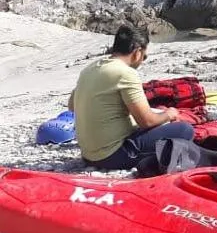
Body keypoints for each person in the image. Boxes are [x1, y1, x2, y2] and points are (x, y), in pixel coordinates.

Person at [69, 24, 195, 171]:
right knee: (185, 130)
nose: (142, 61)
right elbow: (146, 121)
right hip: (111, 156)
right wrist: (169, 114)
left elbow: (72, 106)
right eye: (144, 56)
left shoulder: (89, 69)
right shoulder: (125, 73)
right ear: (137, 52)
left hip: (88, 155)